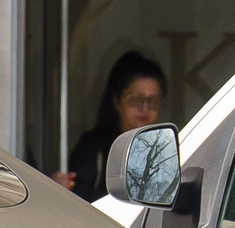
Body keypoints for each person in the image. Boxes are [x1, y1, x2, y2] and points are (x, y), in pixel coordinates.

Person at [62, 52, 167, 201]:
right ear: (116, 101)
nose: (145, 108)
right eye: (136, 99)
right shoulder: (92, 151)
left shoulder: (165, 152)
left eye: (153, 101)